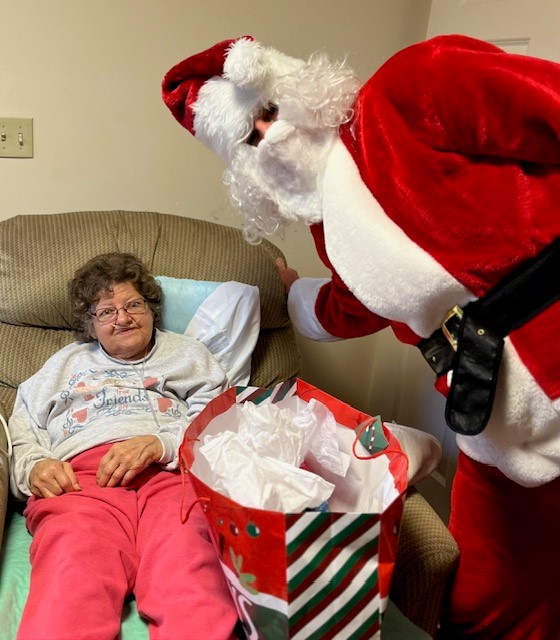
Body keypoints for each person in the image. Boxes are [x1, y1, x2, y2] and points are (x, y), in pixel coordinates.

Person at [161, 35, 560, 639]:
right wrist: (295, 292)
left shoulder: (410, 88)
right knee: (483, 604)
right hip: (491, 414)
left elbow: (544, 105)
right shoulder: (329, 234)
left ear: (298, 88)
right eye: (248, 138)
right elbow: (349, 308)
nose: (269, 136)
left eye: (269, 112)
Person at [8, 252, 239, 640]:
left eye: (133, 304)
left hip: (173, 476)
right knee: (70, 576)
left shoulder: (188, 354)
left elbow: (219, 417)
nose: (123, 318)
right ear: (90, 324)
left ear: (150, 308)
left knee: (191, 571)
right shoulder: (64, 364)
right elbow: (22, 423)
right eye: (106, 311)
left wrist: (161, 443)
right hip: (81, 484)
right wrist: (32, 466)